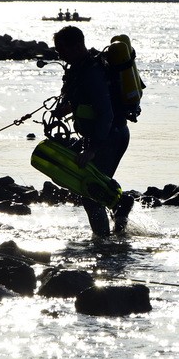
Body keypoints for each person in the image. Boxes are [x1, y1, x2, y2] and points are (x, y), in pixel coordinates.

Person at [51, 25, 134, 237]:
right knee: (80, 177)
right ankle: (121, 204)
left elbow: (106, 114)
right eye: (58, 51)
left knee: (91, 194)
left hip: (111, 136)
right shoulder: (79, 69)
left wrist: (92, 149)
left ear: (78, 45)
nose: (60, 55)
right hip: (100, 136)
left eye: (63, 50)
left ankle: (102, 244)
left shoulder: (92, 72)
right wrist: (67, 108)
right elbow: (87, 102)